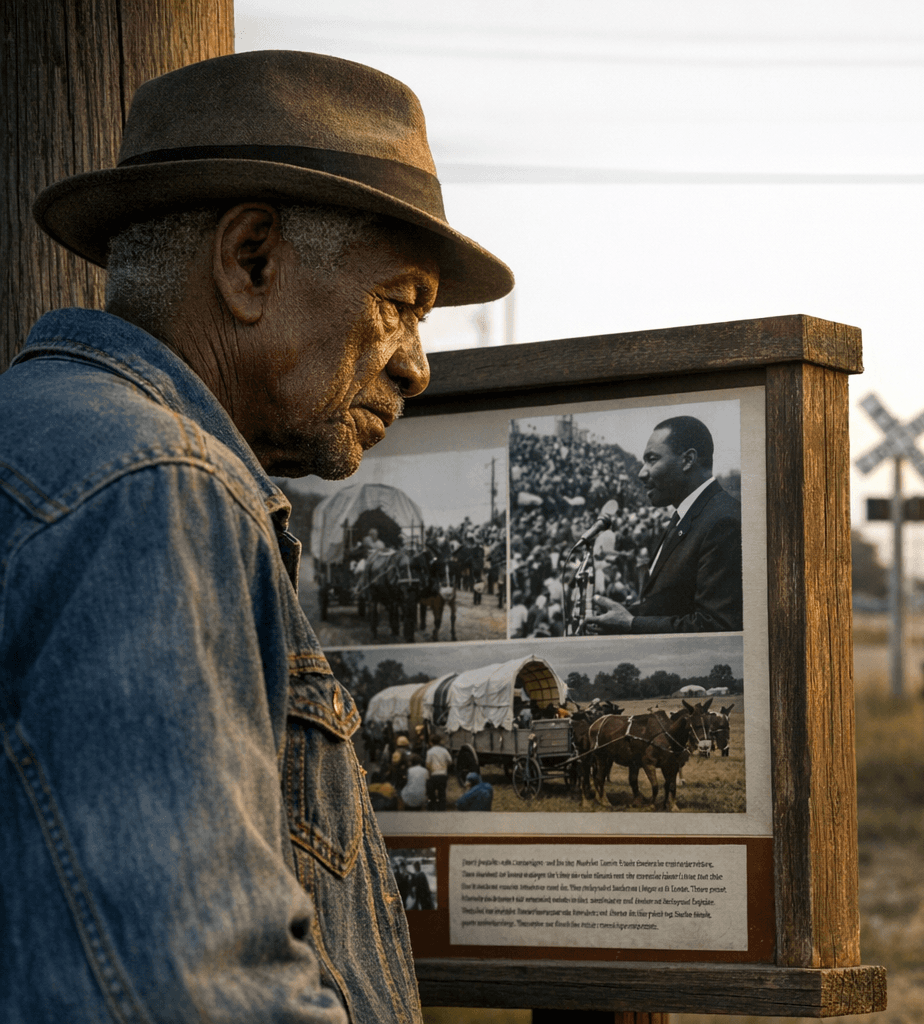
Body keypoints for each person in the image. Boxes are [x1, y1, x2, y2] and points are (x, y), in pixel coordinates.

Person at [0, 50, 512, 1022]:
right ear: (251, 262)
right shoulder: (157, 488)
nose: (417, 366)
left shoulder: (53, 441)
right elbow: (197, 992)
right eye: (401, 303)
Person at [585, 415, 744, 634]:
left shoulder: (723, 522)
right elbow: (670, 605)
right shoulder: (687, 515)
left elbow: (716, 626)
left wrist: (631, 624)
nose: (641, 472)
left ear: (688, 460)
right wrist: (624, 614)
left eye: (652, 459)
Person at [425, 736, 452, 811]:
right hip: (443, 774)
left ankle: (432, 809)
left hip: (434, 775)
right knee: (442, 794)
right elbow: (450, 761)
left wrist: (430, 771)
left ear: (431, 742)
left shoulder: (430, 752)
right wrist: (444, 766)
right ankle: (442, 810)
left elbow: (427, 764)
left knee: (431, 793)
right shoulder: (444, 750)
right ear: (439, 742)